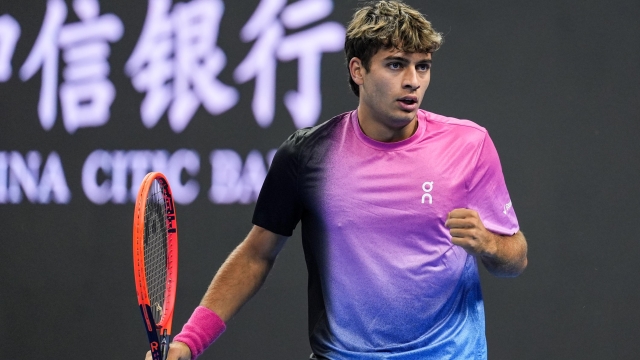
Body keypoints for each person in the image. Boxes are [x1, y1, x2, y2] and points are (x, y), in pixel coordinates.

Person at [150, 1, 528, 359]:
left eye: (423, 66)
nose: (413, 81)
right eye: (396, 65)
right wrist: (189, 342)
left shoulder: (469, 144)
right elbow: (256, 255)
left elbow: (515, 257)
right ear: (358, 70)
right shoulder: (309, 154)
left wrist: (489, 244)